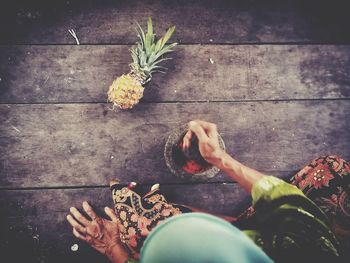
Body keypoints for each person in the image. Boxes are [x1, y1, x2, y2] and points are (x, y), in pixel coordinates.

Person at [67, 120, 349, 262]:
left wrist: (113, 248)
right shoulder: (312, 251)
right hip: (290, 237)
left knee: (139, 228)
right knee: (332, 169)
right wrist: (219, 158)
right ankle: (243, 224)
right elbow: (286, 202)